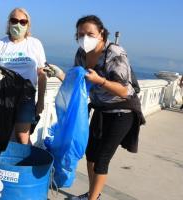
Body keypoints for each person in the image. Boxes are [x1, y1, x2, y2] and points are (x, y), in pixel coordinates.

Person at [71, 15, 145, 200]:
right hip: (101, 109)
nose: (85, 38)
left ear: (101, 34)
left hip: (123, 111)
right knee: (91, 156)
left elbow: (125, 90)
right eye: (81, 34)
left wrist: (100, 80)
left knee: (102, 159)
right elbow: (76, 80)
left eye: (90, 33)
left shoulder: (114, 52)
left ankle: (92, 199)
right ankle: (92, 193)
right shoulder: (81, 53)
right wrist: (58, 74)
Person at [0, 8, 47, 144]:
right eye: (14, 20)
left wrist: (41, 101)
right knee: (0, 136)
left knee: (22, 137)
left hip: (25, 97)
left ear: (28, 25)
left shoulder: (35, 44)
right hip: (1, 97)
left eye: (22, 22)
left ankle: (29, 164)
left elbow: (42, 74)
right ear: (8, 23)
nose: (18, 24)